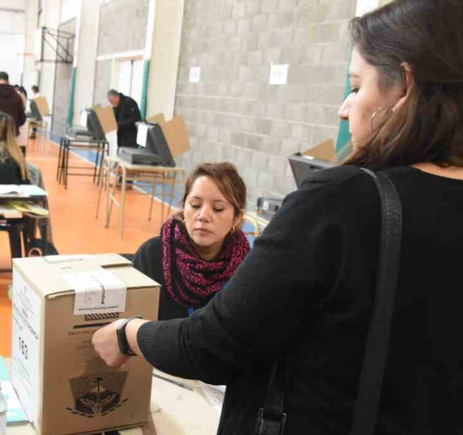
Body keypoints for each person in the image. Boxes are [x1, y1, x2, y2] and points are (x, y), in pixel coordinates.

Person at [92, 0, 463, 433]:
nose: (345, 109)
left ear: (404, 88)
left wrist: (128, 334)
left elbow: (214, 345)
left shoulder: (344, 199)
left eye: (356, 86)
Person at [133, 163, 249, 320]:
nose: (203, 216)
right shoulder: (151, 255)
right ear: (184, 207)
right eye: (195, 205)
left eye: (218, 208)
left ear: (237, 218)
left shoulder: (246, 267)